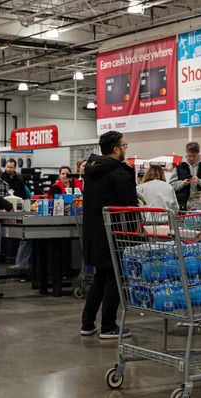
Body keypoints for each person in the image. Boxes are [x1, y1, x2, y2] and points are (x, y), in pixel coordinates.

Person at [81, 131, 138, 339]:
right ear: (116, 149)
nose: (125, 148)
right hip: (113, 232)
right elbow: (129, 206)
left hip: (93, 233)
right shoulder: (119, 173)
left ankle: (87, 324)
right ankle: (108, 326)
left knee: (100, 278)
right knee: (115, 277)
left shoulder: (92, 170)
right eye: (124, 145)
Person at [169, 142, 201, 210]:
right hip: (182, 206)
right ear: (186, 154)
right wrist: (182, 183)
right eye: (189, 156)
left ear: (198, 154)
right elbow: (171, 186)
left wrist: (200, 181)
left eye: (194, 156)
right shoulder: (178, 168)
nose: (191, 158)